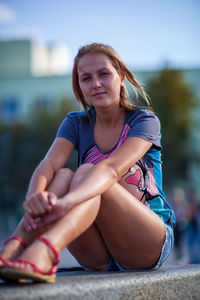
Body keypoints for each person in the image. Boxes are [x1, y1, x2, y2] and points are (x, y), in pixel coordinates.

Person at [0, 43, 175, 283]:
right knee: (62, 176)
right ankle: (15, 245)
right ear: (79, 86)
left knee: (86, 172)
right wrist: (35, 195)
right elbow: (50, 163)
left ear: (121, 77)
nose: (96, 84)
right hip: (99, 253)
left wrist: (68, 202)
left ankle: (46, 249)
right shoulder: (76, 122)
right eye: (86, 78)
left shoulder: (144, 121)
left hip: (147, 242)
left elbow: (111, 170)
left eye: (104, 74)